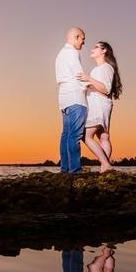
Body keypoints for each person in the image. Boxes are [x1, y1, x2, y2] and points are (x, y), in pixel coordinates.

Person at [78, 41, 122, 173]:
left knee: (86, 135)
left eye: (96, 47)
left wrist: (88, 78)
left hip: (99, 104)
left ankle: (106, 165)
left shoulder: (105, 67)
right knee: (103, 137)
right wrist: (87, 84)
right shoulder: (101, 68)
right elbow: (100, 87)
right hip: (103, 104)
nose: (93, 48)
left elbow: (105, 89)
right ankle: (104, 168)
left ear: (104, 51)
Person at [55, 27, 87, 173]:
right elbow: (79, 74)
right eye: (82, 39)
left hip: (64, 98)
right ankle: (75, 169)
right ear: (76, 37)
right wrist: (93, 86)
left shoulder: (61, 54)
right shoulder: (72, 52)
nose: (83, 43)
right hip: (75, 96)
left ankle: (65, 168)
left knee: (66, 134)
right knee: (75, 135)